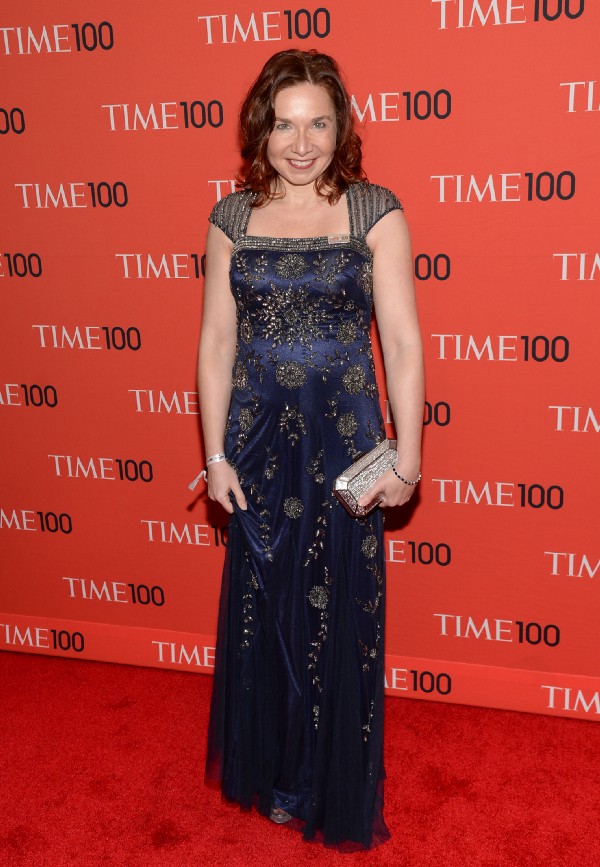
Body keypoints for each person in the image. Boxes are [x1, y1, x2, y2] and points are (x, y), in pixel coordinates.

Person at [198, 48, 424, 851]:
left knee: (338, 611)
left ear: (341, 126)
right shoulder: (232, 217)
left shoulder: (374, 211)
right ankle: (274, 768)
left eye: (318, 123)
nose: (302, 143)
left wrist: (408, 456)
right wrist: (216, 456)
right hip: (255, 440)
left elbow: (398, 339)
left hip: (344, 440)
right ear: (261, 130)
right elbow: (218, 339)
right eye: (285, 124)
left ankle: (328, 777)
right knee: (266, 608)